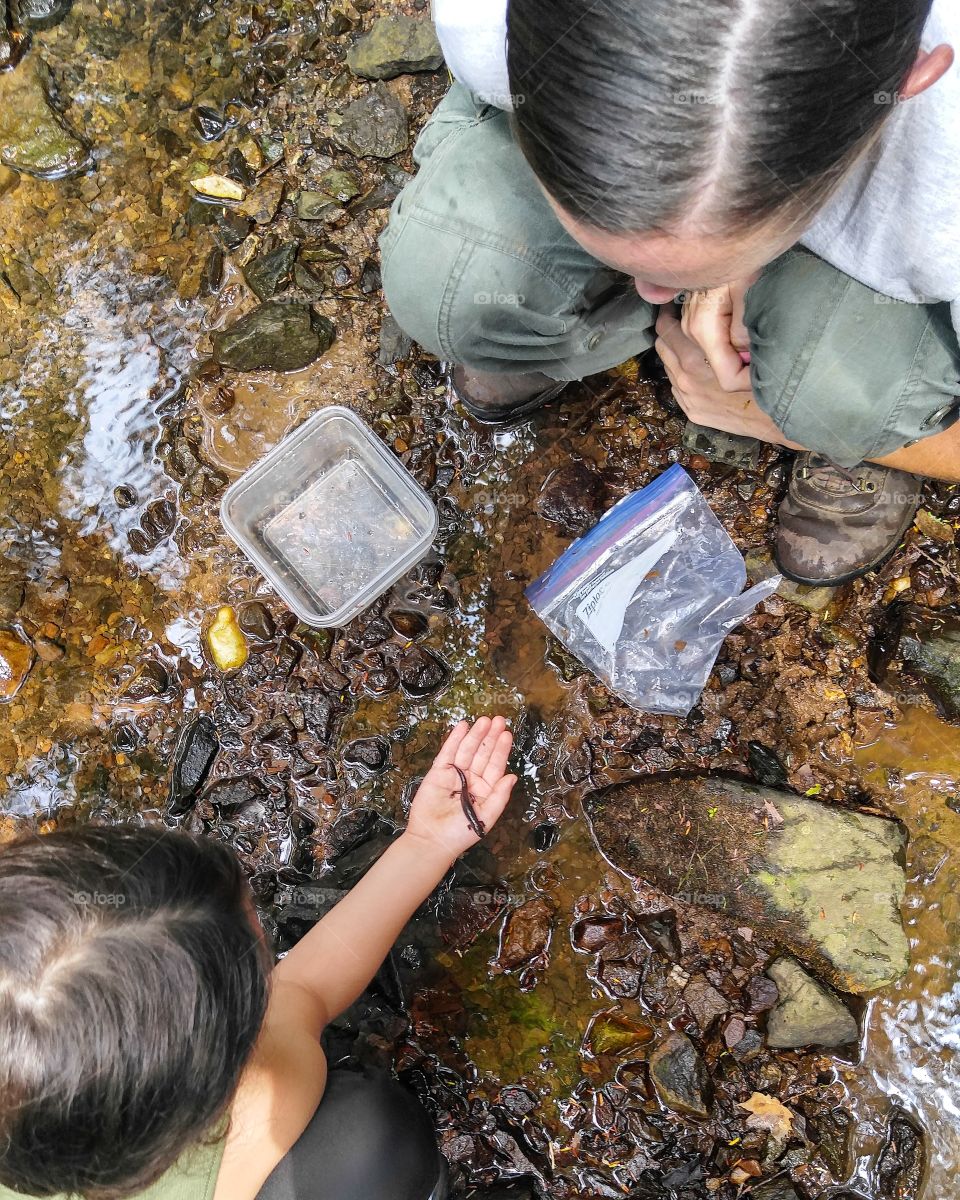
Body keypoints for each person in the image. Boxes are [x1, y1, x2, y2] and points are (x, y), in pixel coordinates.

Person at [381, 0, 960, 587]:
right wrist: (718, 266)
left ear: (911, 77)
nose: (650, 292)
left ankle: (848, 396)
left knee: (827, 395)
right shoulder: (489, 24)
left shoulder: (945, 193)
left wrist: (776, 420)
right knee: (456, 283)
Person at [0, 716, 517, 1200]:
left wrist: (427, 842)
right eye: (257, 955)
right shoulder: (261, 1110)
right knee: (370, 1144)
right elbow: (302, 992)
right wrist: (425, 845)